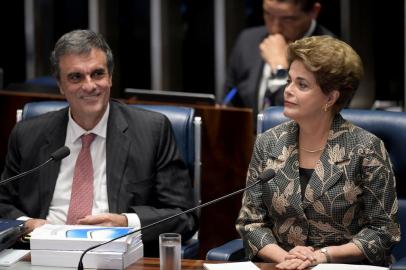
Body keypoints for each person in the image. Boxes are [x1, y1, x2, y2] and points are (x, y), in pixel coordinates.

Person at [0, 29, 198, 256]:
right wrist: (27, 225)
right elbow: (3, 203)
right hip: (40, 255)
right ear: (60, 84)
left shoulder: (152, 130)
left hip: (117, 256)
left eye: (97, 74)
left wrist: (125, 222)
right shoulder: (28, 134)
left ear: (110, 77)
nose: (89, 86)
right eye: (76, 77)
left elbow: (184, 215)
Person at [236, 35, 400, 268]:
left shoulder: (366, 149)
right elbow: (251, 222)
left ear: (330, 98)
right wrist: (286, 258)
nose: (288, 91)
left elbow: (383, 231)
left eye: (302, 84)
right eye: (289, 81)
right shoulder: (268, 142)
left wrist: (321, 255)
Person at [224, 0, 334, 118]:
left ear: (314, 11)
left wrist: (280, 69)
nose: (275, 28)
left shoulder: (333, 55)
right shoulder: (247, 40)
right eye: (268, 14)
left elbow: (314, 119)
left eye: (288, 19)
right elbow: (228, 102)